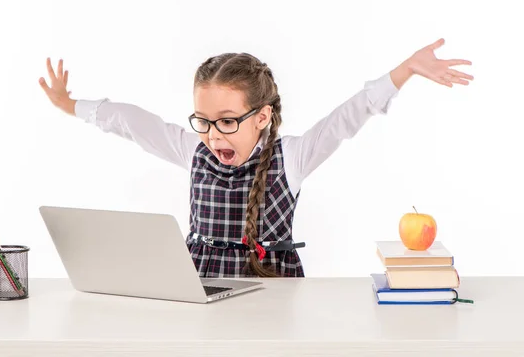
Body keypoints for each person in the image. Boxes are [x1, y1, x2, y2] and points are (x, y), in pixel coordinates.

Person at [39, 38, 473, 278]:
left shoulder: (293, 157)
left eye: (227, 121)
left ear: (262, 117)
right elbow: (130, 121)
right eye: (203, 121)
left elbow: (350, 115)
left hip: (273, 293)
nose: (212, 135)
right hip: (201, 286)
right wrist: (70, 104)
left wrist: (406, 70)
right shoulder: (194, 150)